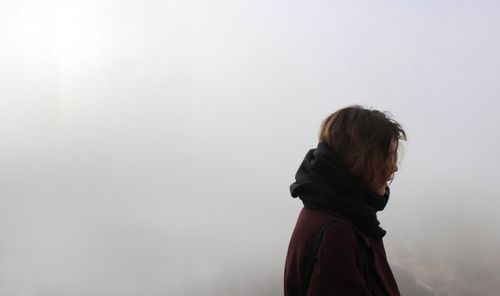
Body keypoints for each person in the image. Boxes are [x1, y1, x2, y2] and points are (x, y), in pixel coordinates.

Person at [284, 105, 406, 296]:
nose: (394, 168)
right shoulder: (335, 234)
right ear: (361, 159)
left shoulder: (346, 216)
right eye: (388, 157)